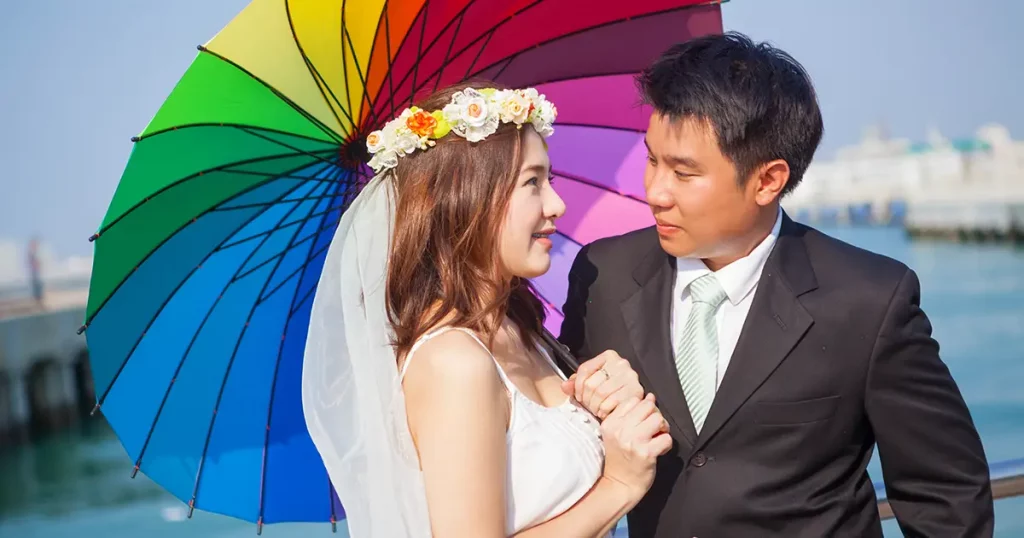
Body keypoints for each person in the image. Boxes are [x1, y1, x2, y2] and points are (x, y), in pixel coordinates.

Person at [559, 32, 994, 537]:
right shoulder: (603, 274)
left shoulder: (870, 300)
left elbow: (947, 496)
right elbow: (568, 450)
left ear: (768, 180)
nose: (654, 191)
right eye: (653, 160)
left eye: (684, 172)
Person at [301, 81, 672, 538]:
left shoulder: (521, 331)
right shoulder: (454, 363)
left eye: (549, 180)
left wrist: (601, 396)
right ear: (466, 199)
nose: (556, 204)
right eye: (532, 182)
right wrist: (618, 484)